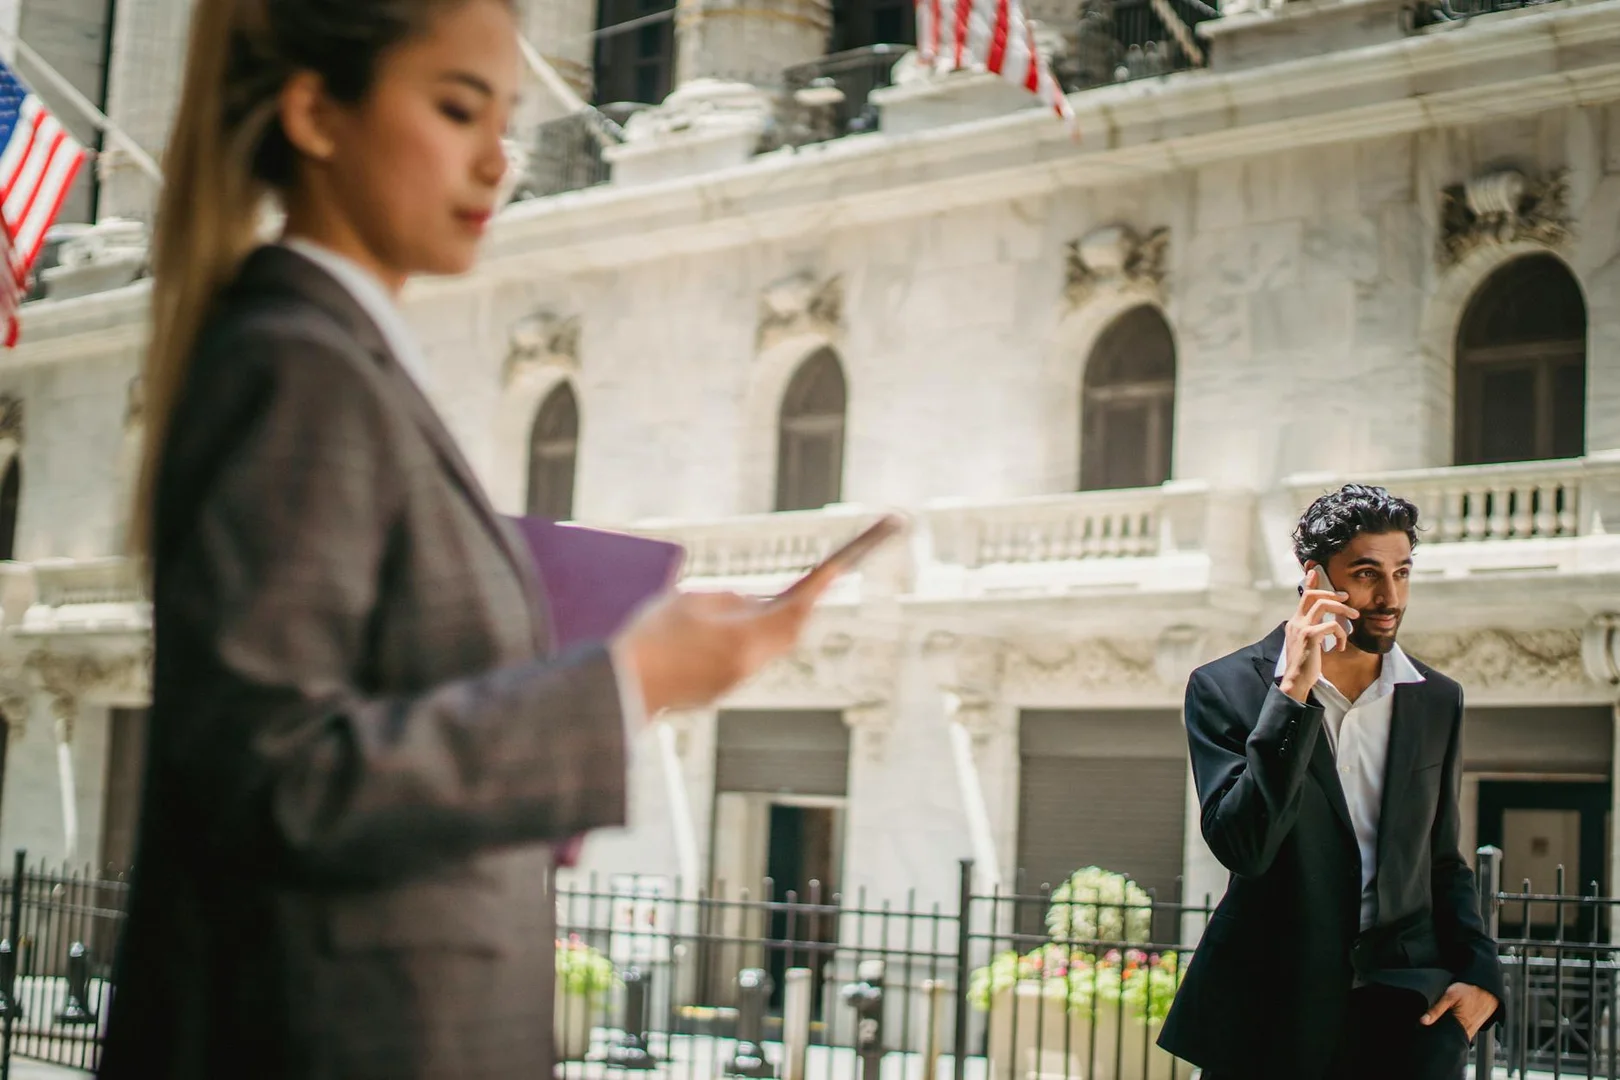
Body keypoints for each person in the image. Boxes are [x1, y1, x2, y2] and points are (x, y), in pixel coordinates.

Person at [96, 2, 847, 1077]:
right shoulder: (294, 366)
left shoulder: (351, 361)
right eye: (456, 109)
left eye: (506, 117)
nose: (500, 161)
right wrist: (626, 681)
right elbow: (275, 783)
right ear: (315, 112)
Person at [1157, 484, 1503, 1080]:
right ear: (1314, 578)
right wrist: (1290, 694)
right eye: (1367, 573)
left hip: (1408, 1012)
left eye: (1402, 572)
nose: (1390, 596)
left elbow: (1441, 859)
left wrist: (1481, 978)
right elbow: (1244, 845)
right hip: (1272, 1013)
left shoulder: (1436, 699)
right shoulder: (1225, 689)